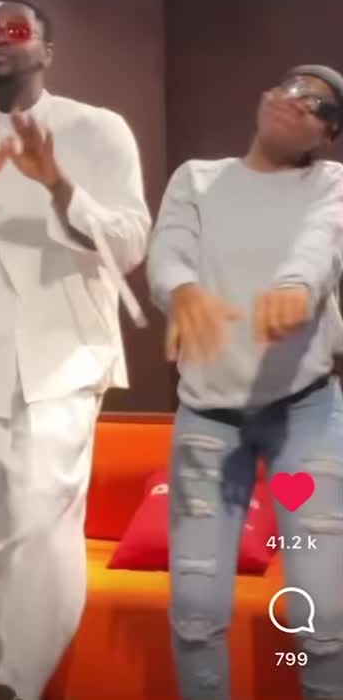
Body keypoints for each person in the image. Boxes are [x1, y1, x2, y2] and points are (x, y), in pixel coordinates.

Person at [0, 0, 151, 700]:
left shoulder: (97, 129)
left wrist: (58, 186)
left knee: (43, 519)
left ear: (47, 50)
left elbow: (130, 243)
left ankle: (22, 683)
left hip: (66, 354)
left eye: (15, 31)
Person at [147, 65, 343, 700]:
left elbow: (321, 245)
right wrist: (182, 290)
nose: (299, 102)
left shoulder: (331, 184)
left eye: (320, 106)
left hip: (305, 414)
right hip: (208, 417)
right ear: (265, 96)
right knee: (195, 612)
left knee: (326, 615)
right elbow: (168, 250)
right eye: (293, 89)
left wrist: (295, 288)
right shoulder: (197, 179)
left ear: (328, 136)